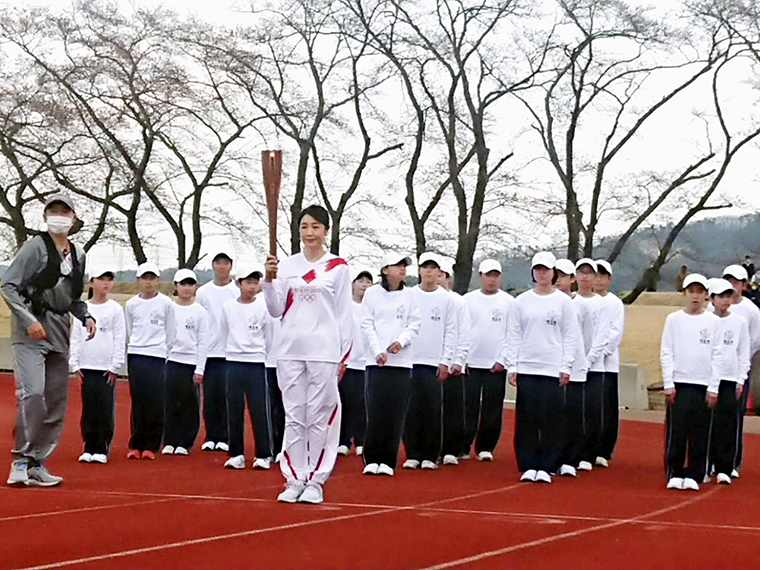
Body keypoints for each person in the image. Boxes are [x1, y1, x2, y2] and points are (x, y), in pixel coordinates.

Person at [2, 193, 96, 487]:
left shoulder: (78, 254)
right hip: (31, 330)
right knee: (32, 394)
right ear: (45, 217)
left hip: (60, 330)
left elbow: (74, 298)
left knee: (56, 401)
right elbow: (9, 285)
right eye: (53, 210)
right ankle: (19, 459)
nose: (59, 216)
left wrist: (86, 316)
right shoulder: (35, 248)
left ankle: (37, 463)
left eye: (64, 211)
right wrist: (28, 320)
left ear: (73, 217)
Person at [263, 205, 352, 504]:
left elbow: (343, 313)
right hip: (289, 350)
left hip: (324, 351)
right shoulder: (286, 266)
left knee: (319, 416)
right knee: (294, 416)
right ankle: (294, 477)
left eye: (316, 226)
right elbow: (276, 310)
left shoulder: (338, 266)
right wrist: (269, 279)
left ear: (326, 230)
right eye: (304, 227)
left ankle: (316, 479)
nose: (310, 232)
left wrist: (344, 354)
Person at [505, 252, 577, 484]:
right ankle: (528, 464)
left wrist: (566, 366)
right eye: (538, 269)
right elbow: (513, 335)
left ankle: (547, 464)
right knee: (527, 417)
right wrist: (512, 366)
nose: (542, 273)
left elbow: (570, 336)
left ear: (553, 272)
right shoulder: (521, 302)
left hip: (552, 368)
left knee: (551, 419)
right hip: (527, 366)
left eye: (546, 269)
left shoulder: (564, 302)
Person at [661, 274, 723, 491]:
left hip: (703, 384)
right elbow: (666, 351)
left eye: (700, 292)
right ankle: (675, 472)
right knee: (677, 431)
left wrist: (714, 387)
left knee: (700, 431)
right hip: (679, 383)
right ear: (684, 294)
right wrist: (668, 382)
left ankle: (696, 474)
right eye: (691, 291)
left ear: (706, 295)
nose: (695, 296)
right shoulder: (673, 319)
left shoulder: (714, 322)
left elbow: (718, 355)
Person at [361, 253, 421, 476]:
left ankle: (387, 459)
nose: (403, 269)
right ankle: (372, 458)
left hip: (402, 363)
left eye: (404, 266)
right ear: (385, 269)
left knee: (395, 413)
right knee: (376, 411)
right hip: (376, 363)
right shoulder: (372, 294)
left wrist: (400, 342)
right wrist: (378, 351)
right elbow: (367, 324)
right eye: (398, 265)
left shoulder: (411, 295)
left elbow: (414, 323)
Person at [403, 253, 457, 471]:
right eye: (425, 267)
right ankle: (412, 453)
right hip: (410, 361)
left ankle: (430, 454)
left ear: (439, 272)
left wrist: (446, 361)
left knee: (433, 410)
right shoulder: (409, 295)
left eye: (433, 268)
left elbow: (451, 331)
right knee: (411, 409)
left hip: (434, 362)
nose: (428, 272)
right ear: (419, 271)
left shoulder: (447, 299)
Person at [69, 267, 126, 465]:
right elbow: (76, 336)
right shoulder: (83, 308)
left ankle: (101, 447)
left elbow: (120, 338)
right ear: (92, 281)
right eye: (102, 279)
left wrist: (115, 365)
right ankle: (89, 446)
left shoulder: (115, 309)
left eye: (109, 279)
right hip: (87, 365)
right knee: (89, 408)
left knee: (104, 407)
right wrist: (74, 363)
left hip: (106, 367)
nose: (106, 283)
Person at [220, 267, 274, 470]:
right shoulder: (227, 307)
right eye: (247, 282)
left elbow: (268, 336)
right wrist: (233, 352)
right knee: (234, 408)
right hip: (234, 362)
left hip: (256, 362)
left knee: (260, 409)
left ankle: (264, 454)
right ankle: (236, 453)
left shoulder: (264, 307)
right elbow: (224, 331)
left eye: (255, 282)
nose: (252, 286)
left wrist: (259, 354)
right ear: (238, 283)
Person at [462, 259, 513, 461]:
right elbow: (462, 330)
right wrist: (462, 358)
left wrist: (503, 359)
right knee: (468, 407)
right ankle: (464, 445)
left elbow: (512, 334)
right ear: (480, 276)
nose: (491, 280)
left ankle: (486, 447)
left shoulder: (509, 302)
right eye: (487, 275)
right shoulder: (467, 300)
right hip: (471, 363)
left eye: (495, 275)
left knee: (493, 408)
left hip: (496, 365)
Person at [125, 262, 175, 460]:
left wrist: (163, 350)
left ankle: (151, 445)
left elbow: (171, 332)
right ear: (138, 281)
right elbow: (130, 330)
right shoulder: (131, 304)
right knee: (138, 400)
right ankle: (136, 443)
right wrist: (138, 346)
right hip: (136, 354)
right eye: (145, 278)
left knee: (155, 400)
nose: (148, 282)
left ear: (158, 281)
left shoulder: (166, 304)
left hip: (157, 355)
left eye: (152, 278)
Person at [162, 269, 209, 456]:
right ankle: (170, 440)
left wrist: (200, 369)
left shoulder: (200, 312)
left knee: (189, 404)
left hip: (190, 363)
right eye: (183, 284)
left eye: (190, 284)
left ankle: (185, 441)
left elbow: (203, 341)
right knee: (170, 402)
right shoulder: (169, 309)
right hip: (172, 361)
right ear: (176, 286)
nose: (187, 288)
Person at [708, 279, 750, 484]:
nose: (726, 301)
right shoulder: (705, 320)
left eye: (729, 296)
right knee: (707, 424)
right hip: (707, 380)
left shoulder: (739, 322)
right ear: (712, 298)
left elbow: (744, 353)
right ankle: (707, 464)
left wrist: (741, 378)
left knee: (728, 423)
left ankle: (726, 466)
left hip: (729, 379)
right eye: (722, 296)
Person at [195, 252, 238, 453]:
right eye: (218, 263)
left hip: (230, 352)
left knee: (227, 397)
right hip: (210, 352)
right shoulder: (203, 292)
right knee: (210, 397)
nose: (222, 267)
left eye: (225, 263)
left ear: (230, 266)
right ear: (213, 266)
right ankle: (211, 436)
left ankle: (225, 436)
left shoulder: (236, 290)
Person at [720, 264, 760, 475]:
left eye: (735, 282)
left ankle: (732, 462)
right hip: (715, 371)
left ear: (744, 285)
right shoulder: (714, 306)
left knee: (734, 415)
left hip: (738, 371)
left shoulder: (751, 311)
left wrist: (740, 364)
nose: (731, 286)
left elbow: (754, 342)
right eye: (728, 280)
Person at [554, 259, 588, 478]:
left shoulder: (581, 305)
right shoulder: (548, 301)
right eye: (556, 275)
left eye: (564, 276)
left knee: (573, 415)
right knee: (552, 415)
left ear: (572, 279)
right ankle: (552, 457)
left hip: (575, 368)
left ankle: (570, 459)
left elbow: (584, 337)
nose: (559, 280)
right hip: (551, 368)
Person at [573, 259, 608, 472]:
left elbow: (602, 336)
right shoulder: (570, 302)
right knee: (574, 412)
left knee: (593, 412)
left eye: (589, 273)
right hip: (573, 369)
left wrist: (588, 360)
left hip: (594, 368)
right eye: (581, 272)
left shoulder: (602, 304)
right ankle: (573, 452)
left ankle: (589, 453)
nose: (585, 277)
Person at [437, 258, 471, 465]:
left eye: (440, 274)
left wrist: (458, 360)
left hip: (452, 365)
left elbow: (464, 333)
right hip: (431, 363)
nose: (436, 278)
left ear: (447, 278)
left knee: (452, 408)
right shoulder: (421, 298)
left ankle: (451, 448)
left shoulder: (458, 301)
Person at [337, 268, 373, 457]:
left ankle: (361, 440)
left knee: (363, 403)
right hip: (348, 362)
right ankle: (343, 441)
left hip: (367, 362)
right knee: (345, 402)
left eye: (368, 282)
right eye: (361, 281)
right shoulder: (345, 307)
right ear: (353, 284)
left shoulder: (372, 307)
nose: (364, 285)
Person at [594, 260, 625, 468]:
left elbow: (616, 333)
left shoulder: (615, 303)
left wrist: (599, 353)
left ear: (609, 279)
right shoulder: (581, 300)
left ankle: (604, 449)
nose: (598, 280)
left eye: (602, 276)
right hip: (586, 366)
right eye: (595, 275)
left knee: (607, 408)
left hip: (607, 364)